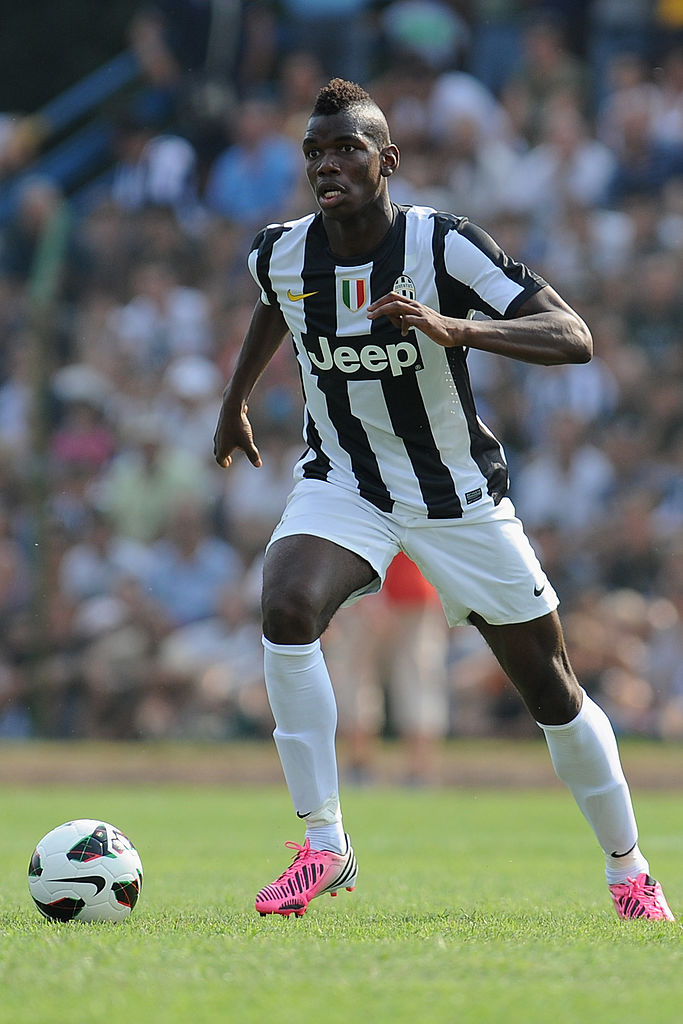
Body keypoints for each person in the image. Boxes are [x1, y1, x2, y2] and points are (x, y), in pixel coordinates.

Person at [213, 78, 675, 922]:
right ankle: (323, 845)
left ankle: (628, 870)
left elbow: (572, 336)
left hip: (455, 494)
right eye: (314, 152)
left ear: (386, 160)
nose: (327, 165)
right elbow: (275, 304)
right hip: (344, 480)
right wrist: (234, 399)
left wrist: (455, 328)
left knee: (551, 691)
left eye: (346, 149)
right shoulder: (280, 251)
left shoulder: (443, 244)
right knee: (284, 604)